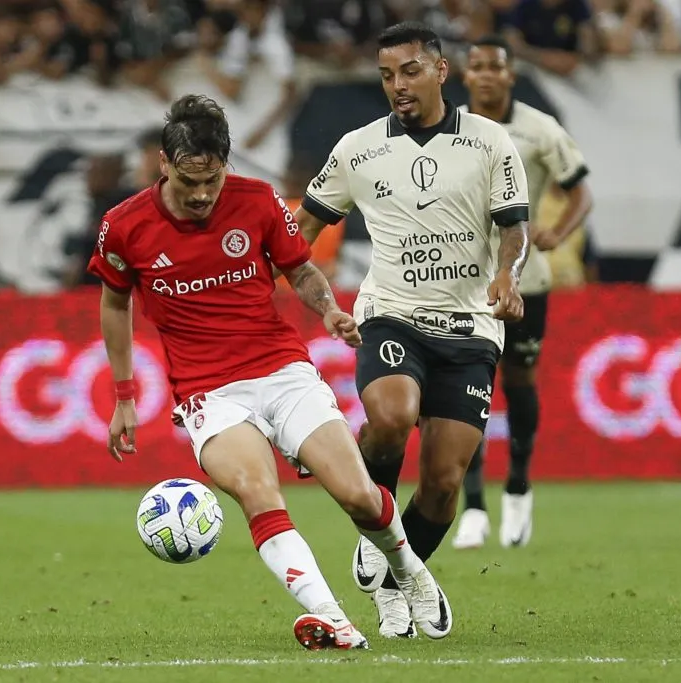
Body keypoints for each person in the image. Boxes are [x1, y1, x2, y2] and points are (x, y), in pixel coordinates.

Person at [87, 94, 451, 651]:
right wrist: (124, 394)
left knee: (357, 494)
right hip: (208, 391)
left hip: (282, 371)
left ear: (226, 164)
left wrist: (327, 308)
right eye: (190, 184)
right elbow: (116, 305)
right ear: (164, 163)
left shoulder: (258, 201)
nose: (204, 195)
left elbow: (300, 270)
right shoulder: (124, 225)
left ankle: (408, 571)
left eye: (213, 181)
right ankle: (334, 619)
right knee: (260, 492)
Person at [294, 22, 530, 638]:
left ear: (440, 70)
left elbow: (513, 227)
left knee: (445, 482)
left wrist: (508, 276)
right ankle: (377, 527)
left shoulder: (489, 142)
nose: (397, 85)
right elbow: (298, 236)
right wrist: (322, 304)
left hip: (471, 325)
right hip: (392, 312)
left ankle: (399, 578)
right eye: (386, 75)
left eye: (409, 71)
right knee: (393, 416)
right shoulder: (357, 149)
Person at [451, 35, 593, 550]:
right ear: (464, 76)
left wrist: (560, 232)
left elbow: (580, 189)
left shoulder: (539, 129)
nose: (487, 75)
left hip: (525, 278)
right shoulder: (450, 128)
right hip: (462, 281)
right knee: (466, 389)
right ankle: (473, 507)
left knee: (519, 378)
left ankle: (518, 486)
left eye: (496, 67)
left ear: (510, 75)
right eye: (478, 67)